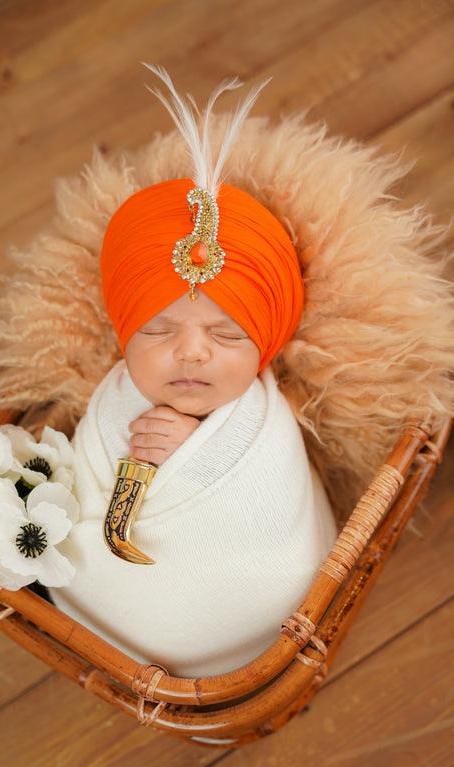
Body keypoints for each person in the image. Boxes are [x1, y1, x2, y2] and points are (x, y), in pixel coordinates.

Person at [50, 69, 337, 677]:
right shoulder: (111, 402)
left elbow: (268, 517)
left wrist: (194, 454)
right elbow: (78, 488)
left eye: (227, 335)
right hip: (108, 605)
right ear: (124, 334)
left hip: (241, 606)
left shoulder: (262, 422)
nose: (191, 353)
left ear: (262, 346)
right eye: (157, 331)